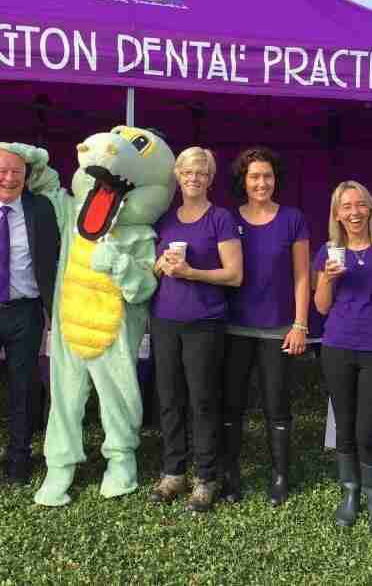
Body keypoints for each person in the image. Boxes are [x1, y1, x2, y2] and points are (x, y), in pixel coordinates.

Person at [149, 147, 242, 512]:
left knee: (202, 401)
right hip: (165, 319)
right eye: (188, 172)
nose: (194, 178)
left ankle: (206, 477)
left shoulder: (220, 218)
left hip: (204, 321)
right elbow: (151, 271)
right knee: (169, 399)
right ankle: (173, 472)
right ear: (177, 175)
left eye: (201, 173)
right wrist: (160, 264)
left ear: (210, 179)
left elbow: (234, 275)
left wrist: (192, 273)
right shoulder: (164, 220)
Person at [314, 181, 372, 536]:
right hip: (337, 346)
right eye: (346, 206)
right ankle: (350, 493)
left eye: (360, 204)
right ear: (337, 214)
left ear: (370, 209)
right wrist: (328, 280)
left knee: (368, 430)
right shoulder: (329, 252)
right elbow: (322, 307)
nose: (354, 212)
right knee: (345, 425)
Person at [0, 147, 59, 483]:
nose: (9, 178)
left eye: (17, 172)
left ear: (26, 176)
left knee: (24, 390)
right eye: (2, 171)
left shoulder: (41, 208)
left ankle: (19, 458)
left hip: (25, 312)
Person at [222, 147, 309, 507]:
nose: (261, 182)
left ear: (276, 179)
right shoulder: (227, 218)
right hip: (233, 327)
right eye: (254, 176)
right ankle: (230, 475)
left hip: (278, 328)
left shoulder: (292, 218)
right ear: (243, 181)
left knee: (277, 404)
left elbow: (302, 276)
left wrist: (300, 324)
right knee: (231, 405)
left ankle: (279, 476)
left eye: (267, 176)